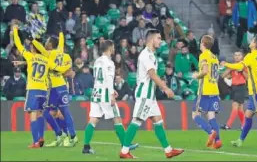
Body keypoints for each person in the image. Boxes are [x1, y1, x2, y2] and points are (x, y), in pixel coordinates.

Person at [120, 30, 184, 159]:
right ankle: (124, 151)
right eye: (159, 38)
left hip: (150, 94)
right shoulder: (147, 55)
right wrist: (165, 88)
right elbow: (152, 74)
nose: (161, 41)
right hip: (145, 93)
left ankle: (168, 150)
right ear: (151, 40)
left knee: (158, 120)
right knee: (137, 120)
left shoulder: (151, 55)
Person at [82, 40, 138, 154]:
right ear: (109, 48)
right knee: (117, 118)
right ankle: (125, 145)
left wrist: (112, 90)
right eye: (112, 47)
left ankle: (86, 147)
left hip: (96, 92)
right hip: (105, 94)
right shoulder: (109, 63)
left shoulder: (97, 61)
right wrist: (111, 94)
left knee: (93, 119)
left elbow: (98, 78)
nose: (113, 49)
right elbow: (107, 79)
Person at [32, 33, 77, 147]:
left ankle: (70, 136)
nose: (46, 43)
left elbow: (70, 73)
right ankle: (61, 135)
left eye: (47, 41)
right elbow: (70, 71)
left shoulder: (48, 54)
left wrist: (32, 40)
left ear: (51, 44)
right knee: (51, 112)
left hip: (57, 87)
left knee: (62, 112)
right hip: (57, 86)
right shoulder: (63, 54)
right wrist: (61, 34)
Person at [13, 27, 50, 148]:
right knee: (39, 114)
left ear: (33, 49)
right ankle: (41, 137)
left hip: (33, 89)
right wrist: (33, 40)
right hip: (43, 90)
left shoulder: (30, 56)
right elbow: (40, 53)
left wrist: (15, 32)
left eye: (31, 47)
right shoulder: (46, 58)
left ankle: (35, 142)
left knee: (33, 114)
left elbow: (18, 45)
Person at [191, 35, 222, 149]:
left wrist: (196, 75)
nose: (199, 44)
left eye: (200, 42)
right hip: (214, 90)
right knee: (211, 116)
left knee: (195, 115)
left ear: (203, 43)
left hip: (204, 90)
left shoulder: (203, 55)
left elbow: (205, 71)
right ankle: (218, 141)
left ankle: (210, 132)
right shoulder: (215, 57)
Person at [220, 51, 247, 130]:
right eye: (235, 55)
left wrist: (242, 71)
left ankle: (228, 125)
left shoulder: (243, 65)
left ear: (242, 56)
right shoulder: (232, 66)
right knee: (240, 108)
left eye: (239, 55)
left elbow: (247, 77)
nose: (237, 57)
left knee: (235, 105)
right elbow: (223, 75)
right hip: (234, 87)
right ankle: (244, 125)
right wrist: (223, 71)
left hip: (241, 87)